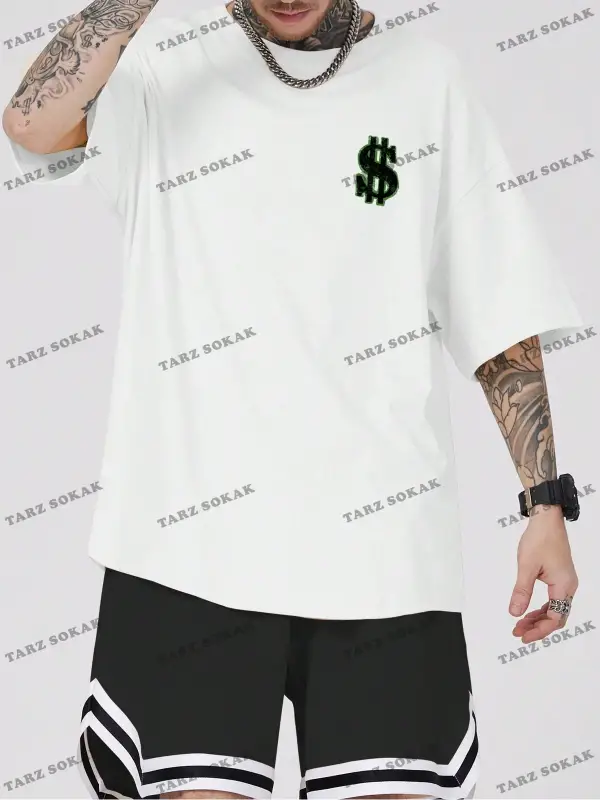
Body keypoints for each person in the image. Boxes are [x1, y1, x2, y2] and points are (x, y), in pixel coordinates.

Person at [2, 0, 584, 798]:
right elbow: (31, 124)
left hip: (383, 549)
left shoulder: (426, 81)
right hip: (189, 544)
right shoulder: (164, 63)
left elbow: (498, 303)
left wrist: (545, 502)